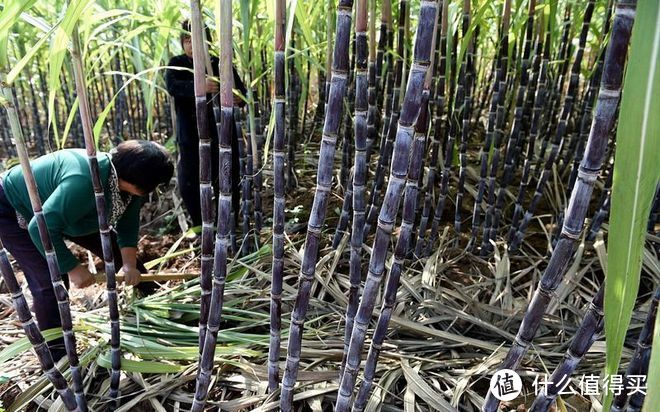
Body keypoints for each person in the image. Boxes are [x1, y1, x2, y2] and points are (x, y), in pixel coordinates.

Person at [0, 140, 174, 360]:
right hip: (15, 207)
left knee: (117, 252)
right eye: (154, 185)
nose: (153, 191)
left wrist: (129, 265)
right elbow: (40, 226)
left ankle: (156, 306)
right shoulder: (84, 180)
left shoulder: (127, 185)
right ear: (139, 180)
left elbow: (128, 227)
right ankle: (57, 354)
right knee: (50, 280)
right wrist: (72, 267)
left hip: (69, 213)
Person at [165, 19, 247, 230]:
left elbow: (242, 95)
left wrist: (237, 98)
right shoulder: (177, 64)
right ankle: (201, 226)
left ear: (207, 41)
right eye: (186, 40)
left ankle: (229, 225)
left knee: (227, 178)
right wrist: (199, 86)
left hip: (223, 135)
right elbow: (173, 87)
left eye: (196, 40)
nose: (192, 45)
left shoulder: (219, 63)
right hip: (191, 137)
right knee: (189, 183)